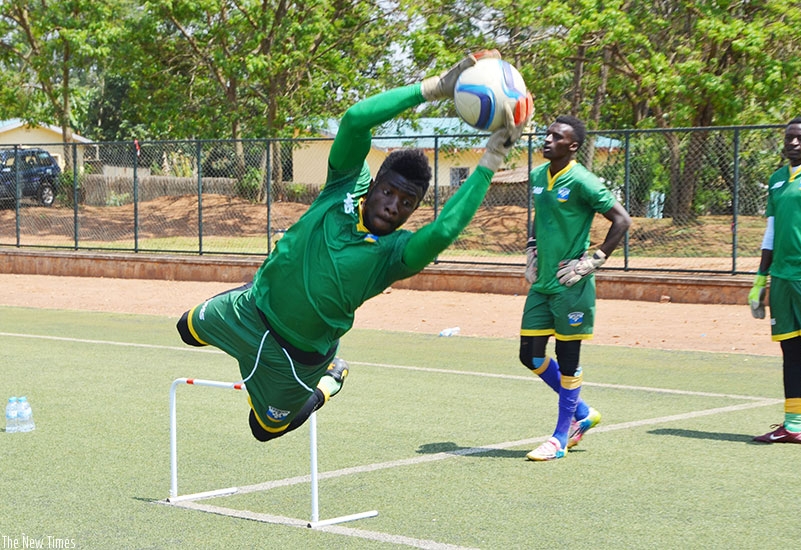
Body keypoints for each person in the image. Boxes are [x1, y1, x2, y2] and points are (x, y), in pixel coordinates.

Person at [176, 50, 530, 442]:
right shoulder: (345, 184)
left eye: (407, 203)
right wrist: (434, 89)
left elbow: (444, 231)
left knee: (264, 429)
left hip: (295, 357)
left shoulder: (392, 255)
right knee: (185, 329)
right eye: (389, 192)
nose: (394, 205)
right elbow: (356, 120)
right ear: (374, 185)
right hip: (248, 310)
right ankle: (260, 290)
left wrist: (492, 157)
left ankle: (329, 382)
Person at [519, 115, 631, 461]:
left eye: (557, 136)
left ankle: (559, 439)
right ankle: (582, 412)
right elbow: (541, 214)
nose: (548, 139)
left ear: (573, 146)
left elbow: (622, 220)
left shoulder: (584, 181)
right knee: (530, 355)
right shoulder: (538, 176)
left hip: (572, 285)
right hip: (543, 284)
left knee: (568, 362)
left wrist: (593, 260)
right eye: (548, 134)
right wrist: (532, 248)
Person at [749, 117, 801, 444]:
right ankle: (792, 426)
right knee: (790, 349)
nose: (793, 143)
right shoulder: (778, 179)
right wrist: (759, 280)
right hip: (781, 277)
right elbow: (771, 232)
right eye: (789, 138)